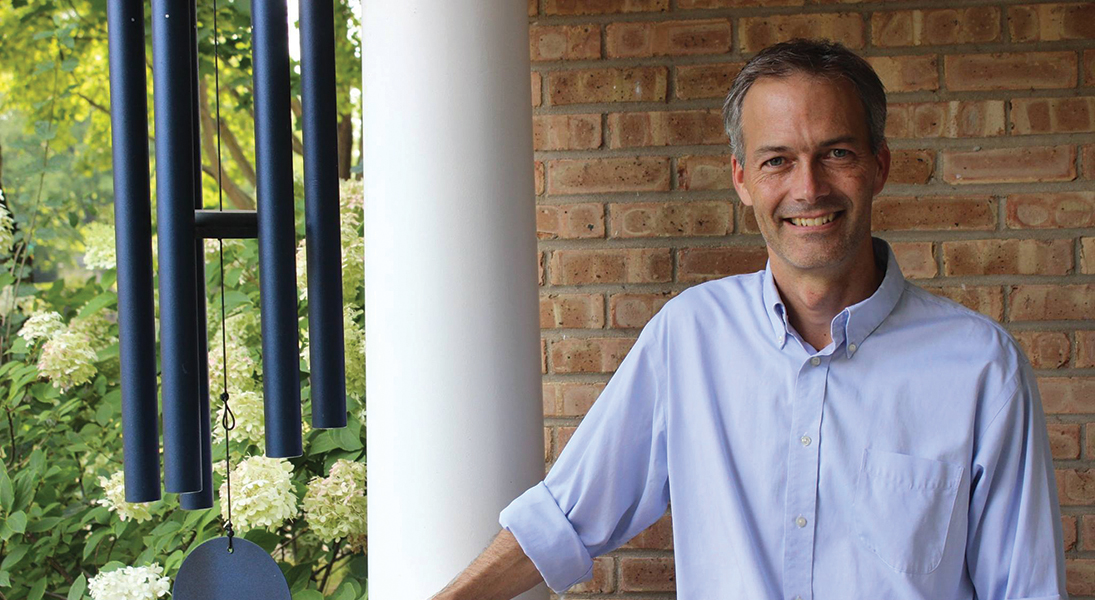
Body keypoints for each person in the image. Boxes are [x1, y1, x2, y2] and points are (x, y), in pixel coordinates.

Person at [429, 39, 1068, 600]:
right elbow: (562, 519)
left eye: (837, 153)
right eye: (777, 160)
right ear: (741, 178)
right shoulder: (689, 339)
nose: (808, 188)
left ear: (880, 165)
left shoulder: (982, 368)